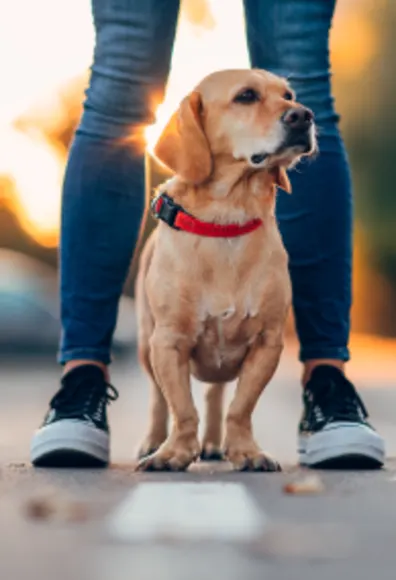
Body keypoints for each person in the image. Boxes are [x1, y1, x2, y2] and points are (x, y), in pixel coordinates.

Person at [30, 0, 385, 469]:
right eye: (248, 99)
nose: (292, 113)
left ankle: (326, 382)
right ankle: (83, 382)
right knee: (121, 84)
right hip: (183, 241)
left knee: (307, 71)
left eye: (283, 99)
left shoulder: (286, 142)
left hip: (256, 245)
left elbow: (297, 100)